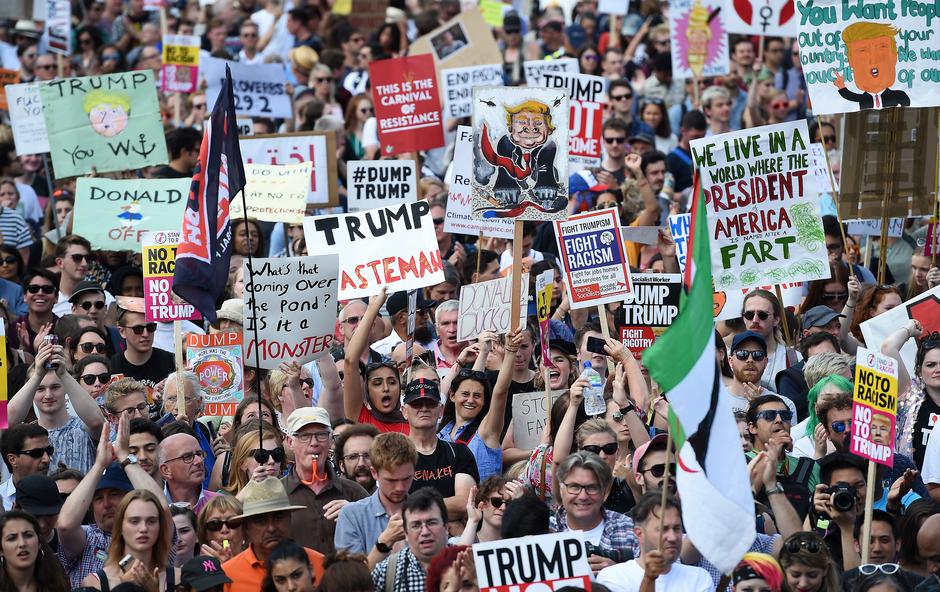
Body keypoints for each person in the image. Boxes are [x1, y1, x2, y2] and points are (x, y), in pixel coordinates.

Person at [57, 416, 167, 588]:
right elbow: (64, 525)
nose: (106, 504)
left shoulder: (150, 531)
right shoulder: (87, 537)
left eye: (114, 494)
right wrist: (99, 465)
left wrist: (124, 455)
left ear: (131, 497)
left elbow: (161, 509)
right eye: (98, 498)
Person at [283, 407, 368, 554]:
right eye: (305, 436)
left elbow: (381, 533)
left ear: (330, 441)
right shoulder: (277, 492)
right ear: (290, 442)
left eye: (321, 435)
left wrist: (355, 515)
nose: (314, 442)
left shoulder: (354, 492)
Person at [221, 477, 324, 592]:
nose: (271, 528)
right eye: (260, 520)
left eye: (278, 516)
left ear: (289, 519)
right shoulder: (228, 575)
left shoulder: (319, 563)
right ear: (246, 527)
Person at [402, 378, 478, 529]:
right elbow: (394, 507)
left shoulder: (459, 452)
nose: (424, 408)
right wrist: (449, 519)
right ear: (404, 411)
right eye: (416, 404)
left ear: (441, 410)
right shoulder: (395, 455)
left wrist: (414, 509)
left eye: (430, 403)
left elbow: (464, 504)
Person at [596, 492, 712, 591]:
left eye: (676, 528)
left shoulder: (699, 578)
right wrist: (649, 580)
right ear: (639, 534)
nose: (672, 537)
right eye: (663, 529)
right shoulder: (613, 578)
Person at [334, 432, 417, 567]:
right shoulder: (351, 515)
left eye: (407, 478)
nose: (400, 487)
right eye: (391, 480)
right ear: (374, 473)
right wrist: (384, 543)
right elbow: (352, 582)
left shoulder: (425, 511)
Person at [553, 452, 638, 572]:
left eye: (592, 487)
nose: (583, 496)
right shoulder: (542, 531)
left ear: (604, 492)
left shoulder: (631, 529)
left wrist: (617, 573)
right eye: (574, 487)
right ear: (561, 490)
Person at [342, 288, 409, 434]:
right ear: (367, 390)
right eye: (377, 383)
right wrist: (373, 308)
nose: (386, 388)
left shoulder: (415, 423)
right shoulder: (361, 419)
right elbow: (350, 360)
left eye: (392, 382)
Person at [371, 487, 450, 592]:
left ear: (446, 527)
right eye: (416, 525)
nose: (425, 532)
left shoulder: (468, 564)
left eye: (431, 522)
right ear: (406, 533)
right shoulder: (386, 572)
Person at [0, 510, 70, 592]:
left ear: (39, 542)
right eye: (12, 538)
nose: (22, 544)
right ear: (1, 549)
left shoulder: (59, 582)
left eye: (28, 535)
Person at [159, 433, 219, 514]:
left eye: (199, 454)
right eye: (187, 457)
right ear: (166, 470)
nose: (199, 461)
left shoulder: (221, 504)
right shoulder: (154, 510)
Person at [0, 423, 52, 510]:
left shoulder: (63, 493)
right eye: (36, 453)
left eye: (49, 450)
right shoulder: (1, 496)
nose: (46, 459)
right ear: (12, 459)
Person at [196, 495, 245, 560]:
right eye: (214, 524)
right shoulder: (196, 568)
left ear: (245, 528)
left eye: (233, 522)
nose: (224, 530)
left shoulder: (260, 561)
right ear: (205, 533)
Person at [333, 423, 379, 493]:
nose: (361, 463)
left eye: (368, 456)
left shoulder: (397, 500)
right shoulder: (330, 501)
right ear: (342, 465)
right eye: (353, 457)